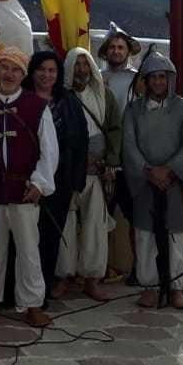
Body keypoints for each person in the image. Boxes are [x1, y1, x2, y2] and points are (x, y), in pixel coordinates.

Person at [0, 48, 58, 326]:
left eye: (15, 69)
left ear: (23, 74)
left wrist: (40, 184)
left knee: (28, 249)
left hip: (24, 190)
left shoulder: (35, 106)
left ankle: (32, 303)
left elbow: (49, 150)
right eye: (4, 68)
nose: (9, 74)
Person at [121, 47, 183, 310]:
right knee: (145, 235)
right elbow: (129, 146)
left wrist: (169, 169)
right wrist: (148, 170)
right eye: (152, 77)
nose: (158, 82)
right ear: (145, 80)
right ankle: (150, 287)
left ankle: (176, 288)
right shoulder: (133, 110)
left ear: (170, 79)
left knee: (175, 235)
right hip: (145, 182)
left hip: (173, 182)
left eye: (162, 77)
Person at [54, 46, 121, 301]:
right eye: (77, 65)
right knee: (66, 224)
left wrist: (108, 161)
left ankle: (92, 278)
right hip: (68, 170)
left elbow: (114, 130)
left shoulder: (104, 95)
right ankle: (64, 276)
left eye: (85, 64)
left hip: (97, 170)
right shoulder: (61, 97)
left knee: (95, 225)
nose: (81, 70)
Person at [39, 48, 92, 310]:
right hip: (28, 181)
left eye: (52, 71)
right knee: (26, 237)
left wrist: (76, 181)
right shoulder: (23, 98)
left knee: (51, 235)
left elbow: (80, 141)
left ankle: (42, 289)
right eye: (41, 70)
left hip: (61, 179)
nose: (46, 75)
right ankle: (21, 288)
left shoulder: (69, 101)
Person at [97, 24, 141, 112]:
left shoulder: (137, 79)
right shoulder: (97, 76)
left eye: (120, 47)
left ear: (128, 51)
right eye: (112, 47)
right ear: (106, 51)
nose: (116, 51)